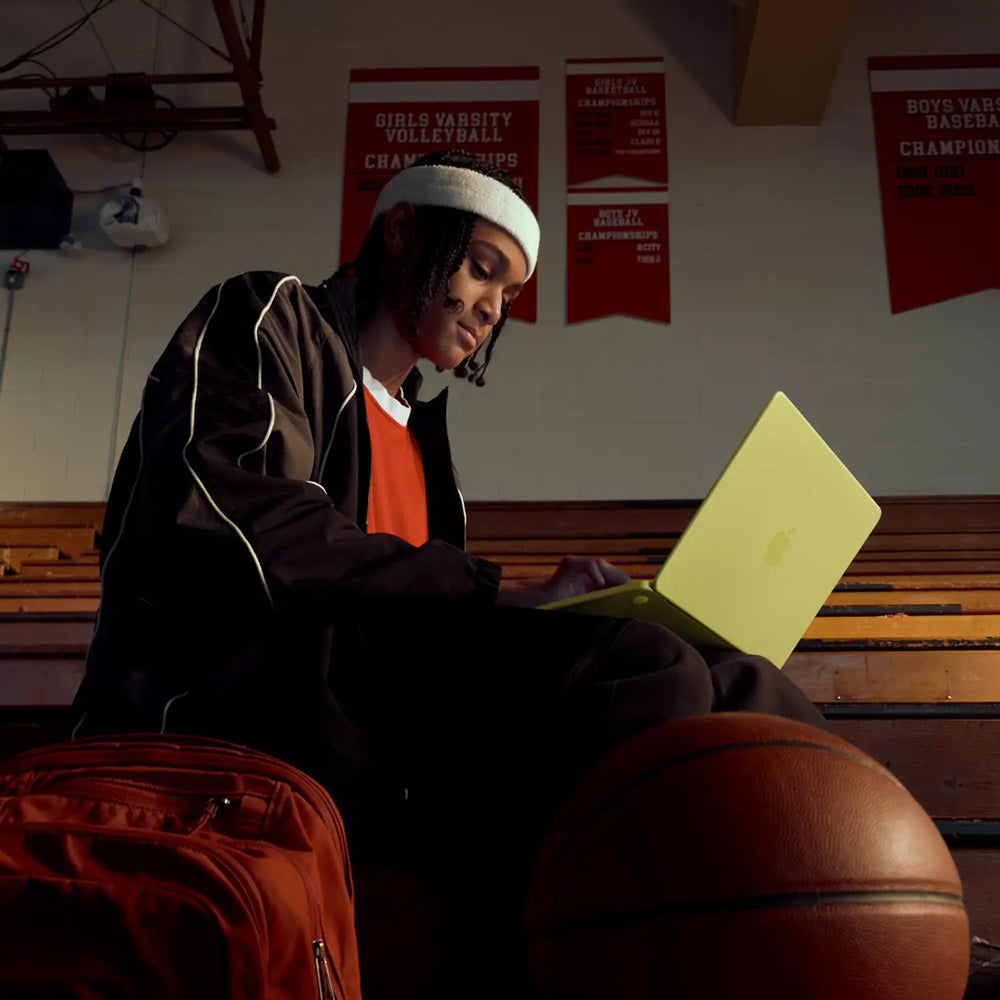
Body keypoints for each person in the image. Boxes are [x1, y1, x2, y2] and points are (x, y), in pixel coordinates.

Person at [71, 149, 828, 992]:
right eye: (481, 269)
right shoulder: (271, 318)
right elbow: (239, 524)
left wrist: (544, 611)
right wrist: (496, 589)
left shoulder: (429, 452)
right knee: (648, 673)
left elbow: (430, 620)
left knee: (745, 684)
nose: (493, 309)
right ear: (402, 231)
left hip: (384, 724)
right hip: (249, 712)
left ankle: (834, 939)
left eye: (508, 296)